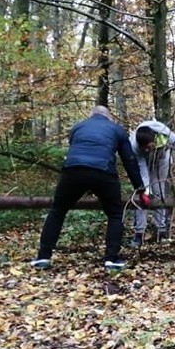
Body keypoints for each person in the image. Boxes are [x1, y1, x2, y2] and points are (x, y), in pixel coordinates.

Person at [31, 105, 147, 271]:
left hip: (72, 171)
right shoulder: (117, 130)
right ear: (108, 117)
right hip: (103, 172)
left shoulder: (77, 127)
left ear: (91, 116)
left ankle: (43, 257)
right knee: (115, 213)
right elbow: (129, 160)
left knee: (57, 210)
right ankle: (111, 259)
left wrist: (86, 185)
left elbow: (76, 151)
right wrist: (140, 188)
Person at [129, 120, 175, 246]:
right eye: (144, 148)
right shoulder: (134, 145)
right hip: (144, 162)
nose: (147, 149)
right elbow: (142, 168)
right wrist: (145, 190)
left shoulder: (166, 135)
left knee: (159, 192)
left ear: (155, 139)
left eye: (149, 146)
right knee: (140, 194)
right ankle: (139, 234)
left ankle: (161, 231)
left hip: (162, 159)